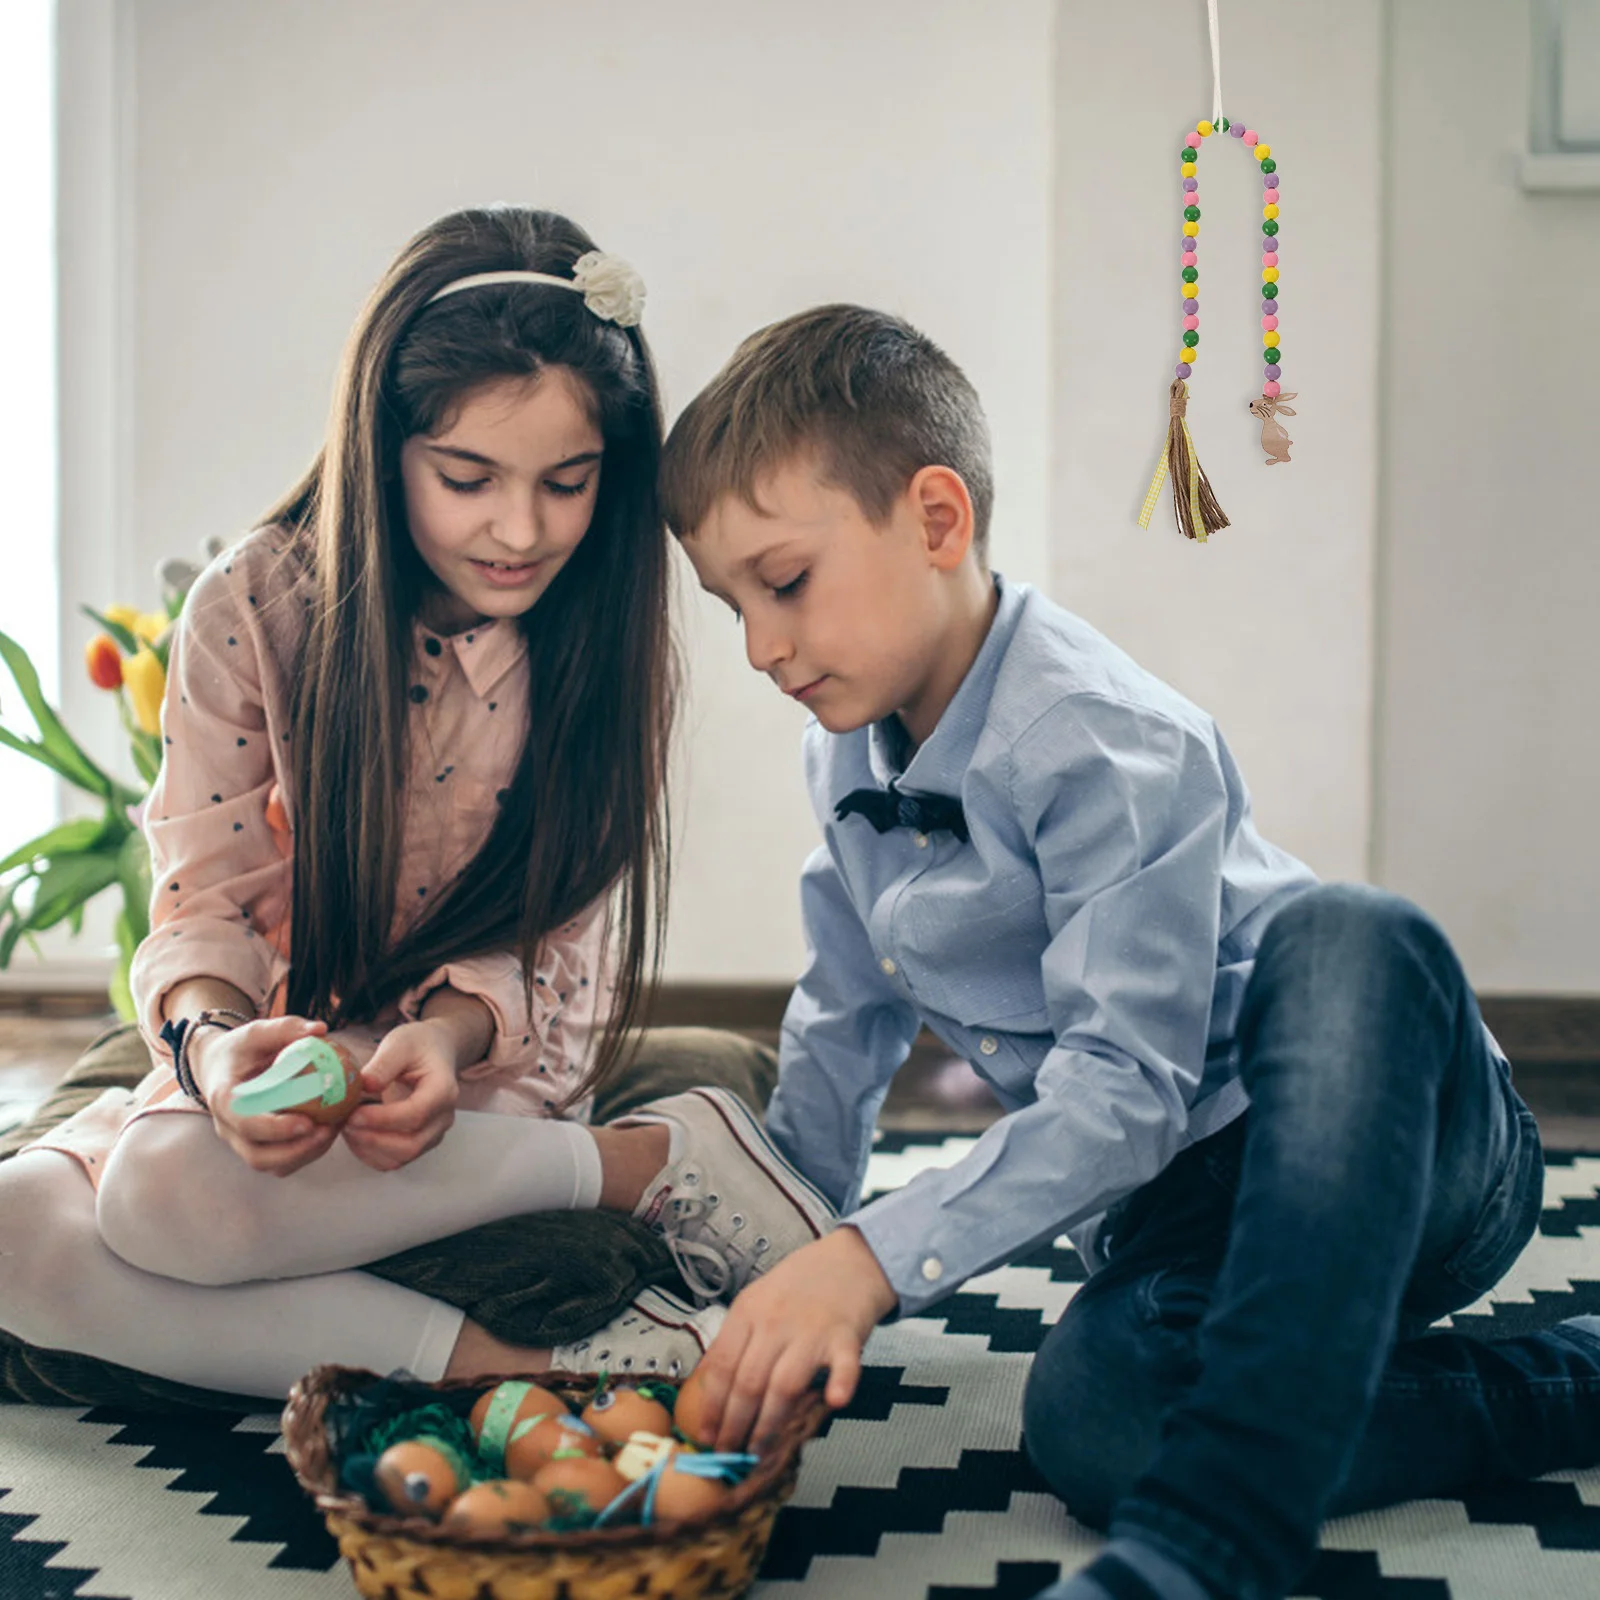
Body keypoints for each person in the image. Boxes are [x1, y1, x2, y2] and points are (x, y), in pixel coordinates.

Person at [655, 302, 1600, 1600]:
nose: (761, 648)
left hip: (1392, 1145)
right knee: (1095, 1417)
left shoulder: (1101, 735)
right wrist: (792, 1258)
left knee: (1348, 934)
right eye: (731, 607)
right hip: (1182, 1212)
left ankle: (1223, 1536)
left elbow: (1127, 1090)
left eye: (785, 583)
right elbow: (844, 1013)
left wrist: (873, 1261)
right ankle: (1495, 1391)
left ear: (936, 520)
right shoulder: (845, 754)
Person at [0, 206, 833, 1405]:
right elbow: (203, 899)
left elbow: (555, 947)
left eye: (567, 482)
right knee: (20, 1228)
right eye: (466, 477)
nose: (521, 529)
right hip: (285, 1038)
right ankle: (545, 1360)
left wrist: (441, 1039)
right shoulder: (255, 607)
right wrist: (213, 1046)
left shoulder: (594, 632)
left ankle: (637, 1162)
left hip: (489, 1060)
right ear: (384, 449)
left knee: (160, 1194)